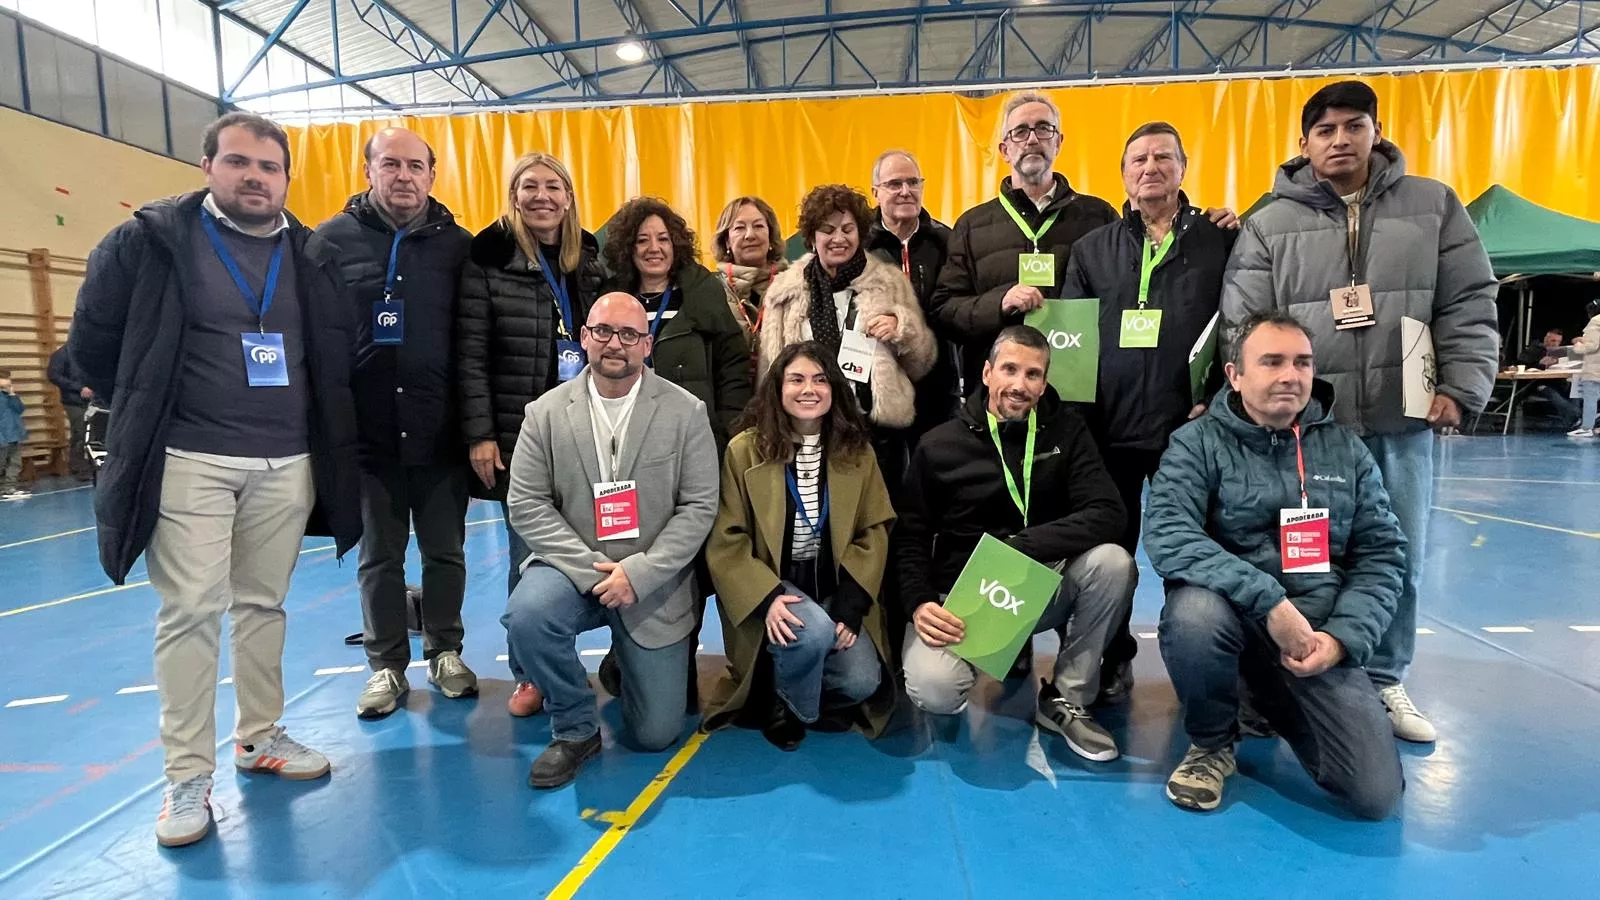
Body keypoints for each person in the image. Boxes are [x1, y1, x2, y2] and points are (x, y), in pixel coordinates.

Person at [67, 112, 362, 847]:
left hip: (285, 459)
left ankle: (260, 736)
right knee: (192, 610)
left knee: (263, 604)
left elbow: (335, 347)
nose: (254, 177)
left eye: (268, 167)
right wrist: (147, 409)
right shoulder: (151, 242)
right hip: (189, 458)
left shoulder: (311, 254)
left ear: (287, 179)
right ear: (207, 167)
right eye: (238, 162)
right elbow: (94, 344)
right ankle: (186, 775)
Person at [1221, 80, 1499, 744]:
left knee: (1394, 550)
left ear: (1377, 130)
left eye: (1353, 126)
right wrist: (1264, 404)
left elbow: (1469, 301)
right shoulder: (1268, 223)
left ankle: (1382, 677)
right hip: (1304, 432)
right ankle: (1288, 675)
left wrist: (1460, 385)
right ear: (1304, 143)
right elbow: (1243, 321)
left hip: (1400, 423)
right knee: (1300, 556)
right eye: (1325, 130)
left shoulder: (1433, 206)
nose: (1340, 139)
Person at [1144, 312, 1406, 819]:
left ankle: (1266, 698)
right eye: (1272, 362)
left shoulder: (1345, 450)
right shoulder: (1196, 443)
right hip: (1234, 618)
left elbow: (1381, 552)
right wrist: (1268, 600)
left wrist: (1342, 640)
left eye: (1302, 362)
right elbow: (1170, 535)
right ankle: (1212, 744)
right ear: (1234, 375)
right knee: (1193, 613)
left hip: (1315, 634)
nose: (1291, 375)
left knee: (1375, 795)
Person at [503, 293, 718, 788]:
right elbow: (527, 505)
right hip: (572, 570)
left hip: (652, 579)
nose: (613, 344)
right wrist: (590, 571)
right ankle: (576, 728)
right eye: (602, 331)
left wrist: (637, 575)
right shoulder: (545, 413)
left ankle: (626, 659)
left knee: (656, 734)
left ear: (647, 344)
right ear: (584, 338)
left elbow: (699, 507)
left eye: (628, 334)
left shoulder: (687, 412)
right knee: (527, 616)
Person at [894, 326, 1136, 762]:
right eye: (1009, 369)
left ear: (1044, 383)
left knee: (1113, 563)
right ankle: (976, 657)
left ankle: (1066, 697)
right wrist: (919, 602)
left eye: (1033, 374)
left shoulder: (1067, 433)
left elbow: (1109, 511)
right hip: (965, 601)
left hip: (1039, 586)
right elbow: (910, 535)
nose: (1020, 385)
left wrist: (1022, 546)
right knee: (936, 691)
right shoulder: (938, 446)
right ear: (986, 373)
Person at [1059, 121, 1239, 704]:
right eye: (1138, 159)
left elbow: (1239, 325)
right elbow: (1073, 341)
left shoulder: (1220, 241)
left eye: (1164, 157)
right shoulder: (1092, 250)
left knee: (1192, 550)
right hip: (1108, 433)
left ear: (1184, 167)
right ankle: (1112, 658)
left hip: (1190, 429)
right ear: (1123, 174)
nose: (1150, 167)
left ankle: (1203, 667)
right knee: (1111, 556)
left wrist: (1217, 399)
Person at [316, 127, 476, 719]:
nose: (403, 176)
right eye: (391, 164)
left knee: (445, 553)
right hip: (368, 439)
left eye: (415, 166)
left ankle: (446, 651)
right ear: (368, 171)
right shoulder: (328, 243)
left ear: (433, 175)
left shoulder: (458, 246)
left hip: (439, 435)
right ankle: (386, 666)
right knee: (378, 558)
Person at [458, 151, 604, 718]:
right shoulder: (487, 260)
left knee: (600, 546)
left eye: (553, 187)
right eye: (529, 187)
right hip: (519, 435)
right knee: (529, 556)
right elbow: (470, 353)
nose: (542, 197)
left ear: (568, 198)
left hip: (587, 432)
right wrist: (481, 433)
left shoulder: (589, 262)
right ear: (513, 196)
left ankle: (606, 659)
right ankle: (531, 674)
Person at [703, 342, 895, 750]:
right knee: (809, 634)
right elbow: (727, 536)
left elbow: (874, 530)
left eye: (820, 379)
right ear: (777, 388)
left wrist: (851, 603)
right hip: (775, 586)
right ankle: (789, 706)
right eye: (796, 379)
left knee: (861, 680)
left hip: (832, 586)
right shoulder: (744, 450)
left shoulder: (856, 450)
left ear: (834, 389)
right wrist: (767, 597)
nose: (809, 389)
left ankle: (781, 678)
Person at [929, 90, 1119, 394]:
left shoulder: (1099, 216)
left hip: (1076, 389)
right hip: (999, 397)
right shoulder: (972, 225)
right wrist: (999, 303)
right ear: (1005, 150)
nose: (1032, 139)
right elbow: (945, 312)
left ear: (1058, 142)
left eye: (1043, 128)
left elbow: (1120, 300)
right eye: (1020, 131)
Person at [759, 184, 936, 493]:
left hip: (875, 433)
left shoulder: (889, 281)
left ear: (861, 232)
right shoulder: (784, 291)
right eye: (827, 230)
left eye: (847, 229)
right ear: (812, 237)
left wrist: (902, 329)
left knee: (876, 525)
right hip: (805, 432)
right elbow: (769, 371)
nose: (838, 238)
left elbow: (922, 362)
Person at [601, 196, 753, 449]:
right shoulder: (610, 301)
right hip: (623, 439)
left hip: (692, 440)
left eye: (663, 239)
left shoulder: (704, 293)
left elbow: (733, 369)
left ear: (676, 244)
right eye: (642, 240)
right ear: (627, 248)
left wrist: (726, 431)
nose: (654, 248)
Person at [866, 150, 958, 442]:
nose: (906, 191)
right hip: (876, 386)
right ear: (875, 192)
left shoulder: (947, 241)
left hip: (938, 385)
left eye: (913, 182)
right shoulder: (857, 246)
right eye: (894, 184)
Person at [712, 196, 787, 343]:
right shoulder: (712, 290)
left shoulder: (793, 285)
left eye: (758, 226)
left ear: (771, 236)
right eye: (739, 228)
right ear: (727, 241)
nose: (750, 235)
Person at [1516, 328, 1581, 428]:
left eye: (1558, 342)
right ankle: (1576, 416)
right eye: (1553, 341)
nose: (1555, 344)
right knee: (1550, 392)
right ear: (1546, 339)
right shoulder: (1532, 351)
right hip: (1538, 384)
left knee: (1576, 387)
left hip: (1558, 382)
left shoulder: (1559, 353)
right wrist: (1540, 365)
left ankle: (1573, 420)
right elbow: (1521, 366)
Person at [47, 345, 93, 479]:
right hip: (74, 400)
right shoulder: (62, 353)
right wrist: (78, 388)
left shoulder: (88, 351)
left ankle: (89, 466)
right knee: (81, 433)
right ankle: (79, 469)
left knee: (93, 434)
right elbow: (53, 375)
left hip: (94, 399)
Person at [1566, 307, 1600, 438]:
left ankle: (1586, 427)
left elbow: (1592, 345)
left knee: (1590, 398)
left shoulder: (1596, 321)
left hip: (1595, 368)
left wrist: (1578, 346)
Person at [0, 370, 25, 500]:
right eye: (4, 378)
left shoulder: (10, 396)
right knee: (1, 463)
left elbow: (20, 409)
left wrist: (12, 394)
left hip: (14, 435)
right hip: (2, 436)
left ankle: (9, 487)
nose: (8, 381)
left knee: (15, 463)